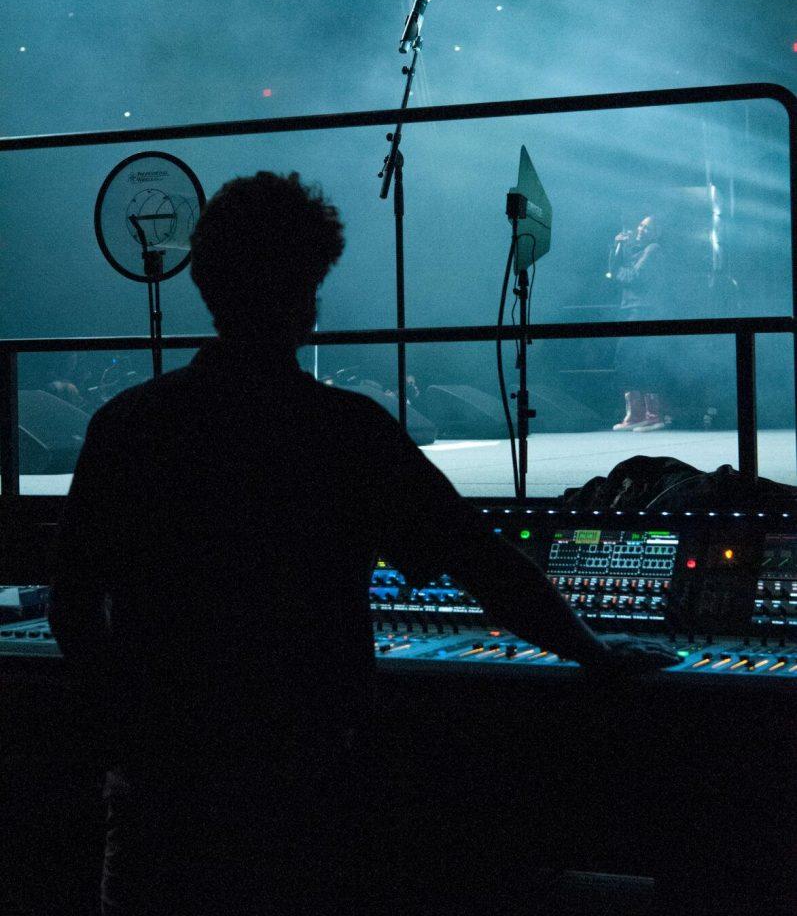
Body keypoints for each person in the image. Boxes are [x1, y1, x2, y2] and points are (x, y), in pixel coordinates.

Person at [49, 172, 677, 916]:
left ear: (207, 283)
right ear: (307, 297)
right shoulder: (345, 431)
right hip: (305, 786)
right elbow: (479, 562)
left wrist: (137, 728)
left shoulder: (126, 425)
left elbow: (71, 605)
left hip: (161, 796)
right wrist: (593, 652)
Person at [612, 214, 671, 431]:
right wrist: (618, 248)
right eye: (640, 226)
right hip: (630, 310)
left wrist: (619, 269)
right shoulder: (635, 252)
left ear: (657, 233)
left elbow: (634, 277)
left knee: (642, 360)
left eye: (647, 227)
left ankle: (654, 414)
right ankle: (636, 413)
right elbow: (615, 271)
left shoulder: (653, 250)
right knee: (627, 360)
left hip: (645, 311)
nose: (640, 230)